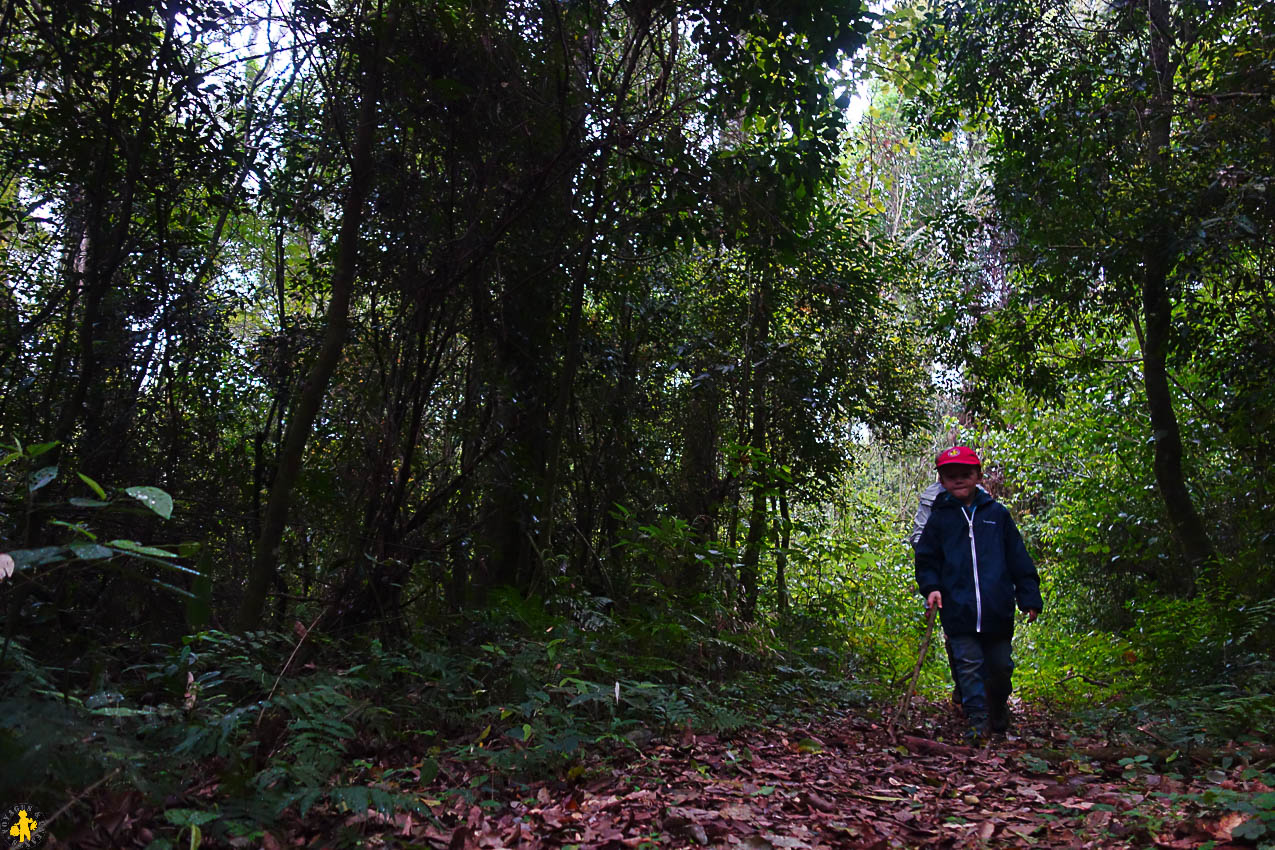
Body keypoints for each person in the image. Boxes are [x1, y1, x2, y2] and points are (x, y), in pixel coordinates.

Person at [913, 446, 1042, 740]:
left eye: (965, 474)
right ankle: (976, 721)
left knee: (1000, 667)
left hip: (997, 610)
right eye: (951, 476)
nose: (959, 480)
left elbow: (1018, 558)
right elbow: (927, 559)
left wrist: (1029, 596)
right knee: (968, 668)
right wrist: (931, 588)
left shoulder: (997, 515)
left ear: (978, 476)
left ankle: (997, 707)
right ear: (942, 481)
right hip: (958, 611)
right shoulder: (939, 519)